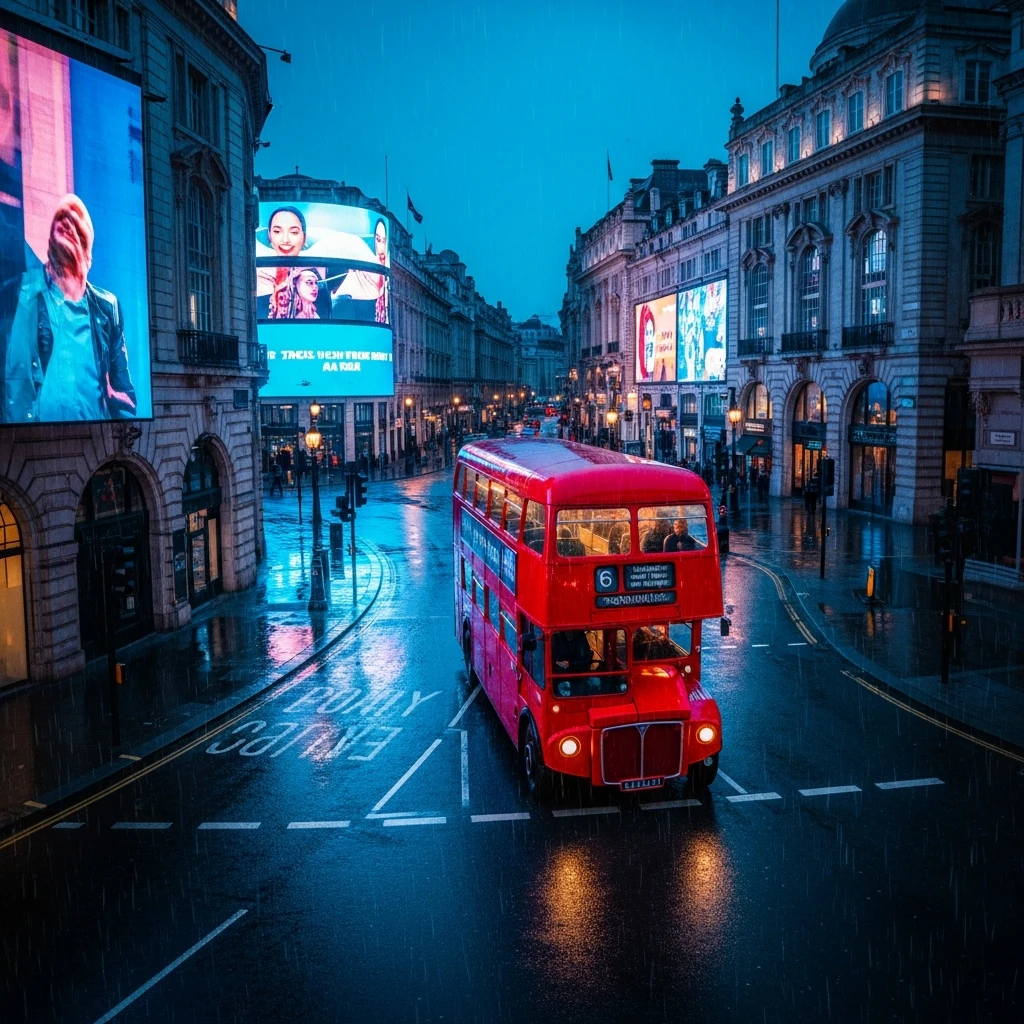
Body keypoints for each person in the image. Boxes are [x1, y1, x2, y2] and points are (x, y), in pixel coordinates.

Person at [0, 194, 137, 423]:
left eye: (75, 221)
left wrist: (113, 398)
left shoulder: (107, 307)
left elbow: (128, 398)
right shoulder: (19, 292)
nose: (66, 222)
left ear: (88, 251)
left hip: (95, 439)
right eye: (61, 217)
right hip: (25, 437)